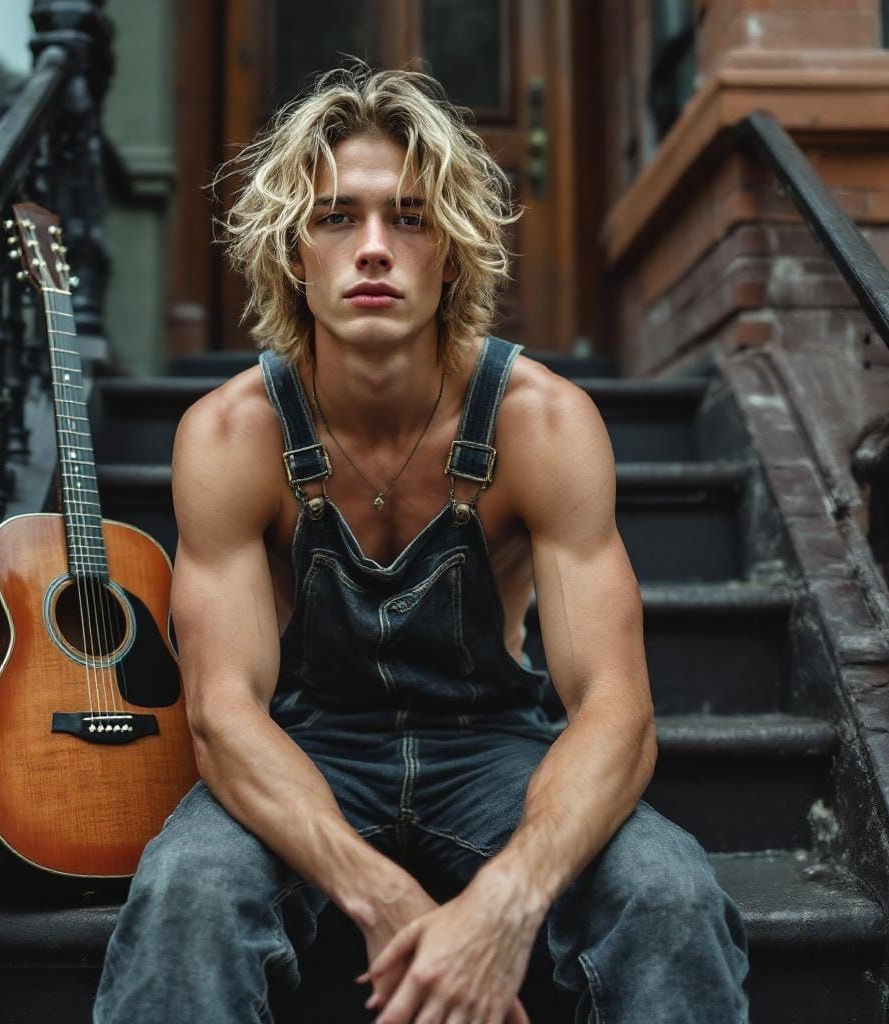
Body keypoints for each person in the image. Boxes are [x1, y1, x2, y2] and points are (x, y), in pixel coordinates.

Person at [93, 62, 750, 1024]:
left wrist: (507, 903)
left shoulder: (542, 424)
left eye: (410, 218)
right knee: (184, 893)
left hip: (495, 750)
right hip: (309, 749)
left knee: (669, 894)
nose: (373, 249)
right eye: (336, 218)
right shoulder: (232, 436)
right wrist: (382, 897)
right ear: (293, 254)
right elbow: (225, 716)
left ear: (452, 254)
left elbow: (616, 710)